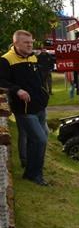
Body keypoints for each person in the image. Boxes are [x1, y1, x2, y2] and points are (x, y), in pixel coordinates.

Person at [0, 30, 51, 186]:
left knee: (37, 139)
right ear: (16, 43)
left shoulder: (33, 57)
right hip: (24, 109)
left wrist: (44, 94)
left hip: (39, 106)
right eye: (26, 42)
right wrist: (18, 90)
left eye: (31, 42)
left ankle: (30, 171)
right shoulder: (5, 60)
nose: (30, 45)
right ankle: (36, 174)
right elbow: (1, 81)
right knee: (40, 139)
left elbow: (38, 81)